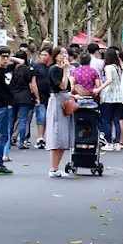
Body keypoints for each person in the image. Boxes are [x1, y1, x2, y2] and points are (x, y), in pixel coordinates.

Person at [0, 47, 23, 175]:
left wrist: (7, 56)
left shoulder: (8, 68)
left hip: (5, 104)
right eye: (3, 57)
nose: (5, 59)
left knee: (1, 135)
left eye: (7, 57)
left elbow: (21, 62)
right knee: (3, 136)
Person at [45, 48, 75, 177]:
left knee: (64, 135)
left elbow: (68, 87)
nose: (64, 55)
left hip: (65, 99)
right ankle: (53, 168)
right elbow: (62, 85)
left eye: (65, 53)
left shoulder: (64, 69)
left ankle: (56, 167)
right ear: (56, 56)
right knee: (56, 132)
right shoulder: (54, 70)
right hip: (57, 102)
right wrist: (65, 70)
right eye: (61, 53)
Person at [11, 47, 40, 149]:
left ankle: (10, 139)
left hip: (12, 96)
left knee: (12, 119)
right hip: (25, 96)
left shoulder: (11, 70)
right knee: (23, 119)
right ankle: (22, 141)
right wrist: (37, 98)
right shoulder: (29, 70)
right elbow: (33, 85)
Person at [98, 49, 123, 151]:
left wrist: (100, 88)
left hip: (109, 96)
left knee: (106, 120)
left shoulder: (108, 67)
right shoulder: (118, 67)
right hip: (118, 95)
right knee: (116, 120)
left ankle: (109, 142)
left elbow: (109, 80)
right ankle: (117, 142)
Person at [30, 47, 54, 149]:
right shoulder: (37, 67)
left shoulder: (53, 67)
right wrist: (37, 96)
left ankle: (49, 138)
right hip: (40, 96)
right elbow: (33, 82)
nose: (43, 57)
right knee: (41, 117)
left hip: (51, 96)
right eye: (42, 55)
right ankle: (40, 138)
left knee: (50, 118)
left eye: (46, 55)